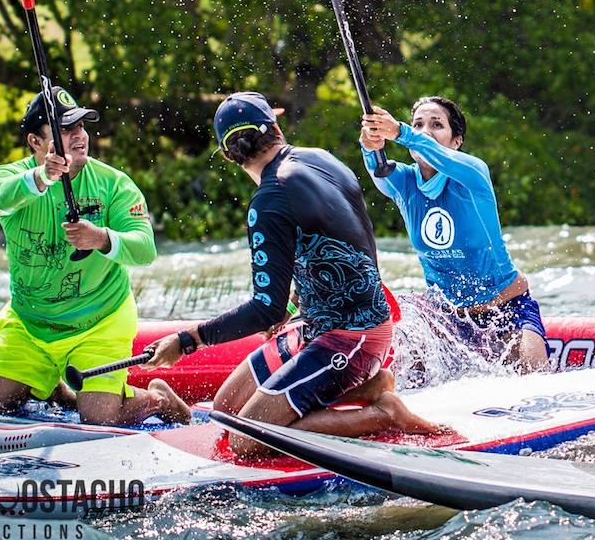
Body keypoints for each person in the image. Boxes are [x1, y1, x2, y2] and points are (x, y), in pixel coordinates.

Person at [143, 92, 442, 456]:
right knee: (225, 414)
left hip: (354, 338)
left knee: (246, 440)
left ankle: (383, 413)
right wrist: (294, 302)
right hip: (316, 324)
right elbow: (341, 240)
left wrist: (187, 340)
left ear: (227, 155)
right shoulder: (321, 158)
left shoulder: (269, 200)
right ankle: (367, 389)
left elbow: (265, 310)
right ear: (276, 128)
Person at [0, 87, 190, 425]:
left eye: (81, 127)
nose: (79, 136)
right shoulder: (8, 177)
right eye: (65, 129)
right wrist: (43, 177)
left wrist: (101, 238)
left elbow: (145, 248)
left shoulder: (114, 184)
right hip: (32, 323)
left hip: (100, 321)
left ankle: (157, 400)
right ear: (35, 142)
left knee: (99, 417)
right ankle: (60, 391)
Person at [359, 97, 548, 372]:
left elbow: (429, 149)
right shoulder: (403, 182)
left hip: (508, 310)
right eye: (418, 124)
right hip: (448, 320)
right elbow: (377, 168)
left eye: (437, 125)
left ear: (456, 141)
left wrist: (402, 132)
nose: (425, 131)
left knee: (537, 377)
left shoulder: (472, 173)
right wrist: (370, 145)